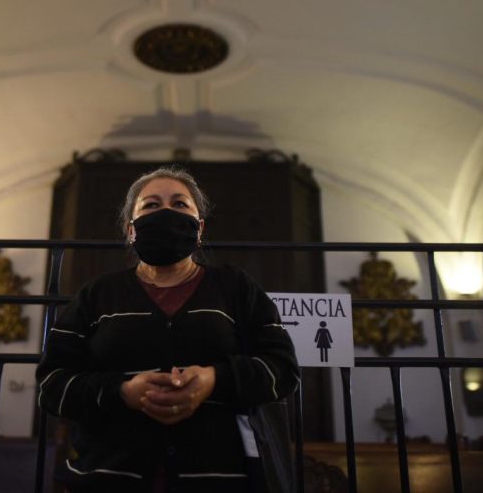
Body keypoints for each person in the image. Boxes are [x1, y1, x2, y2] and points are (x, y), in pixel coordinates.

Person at [36, 166, 299, 492]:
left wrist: (214, 379)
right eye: (150, 205)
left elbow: (282, 368)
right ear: (131, 229)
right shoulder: (96, 295)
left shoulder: (236, 288)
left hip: (221, 478)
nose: (165, 212)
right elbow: (52, 385)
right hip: (110, 476)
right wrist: (122, 392)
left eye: (179, 204)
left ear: (199, 227)